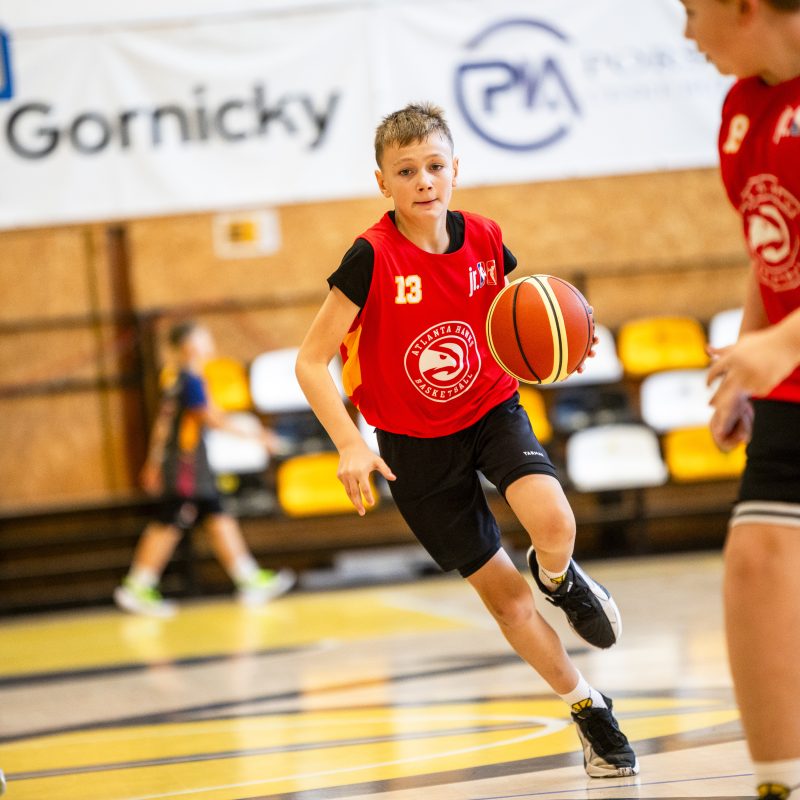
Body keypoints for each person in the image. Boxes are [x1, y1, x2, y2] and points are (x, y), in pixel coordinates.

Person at [295, 102, 638, 778]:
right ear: (382, 182)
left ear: (456, 169)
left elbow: (516, 320)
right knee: (507, 600)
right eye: (406, 171)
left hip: (489, 409)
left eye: (434, 166)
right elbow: (310, 362)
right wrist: (351, 443)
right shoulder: (370, 258)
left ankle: (560, 576)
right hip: (412, 446)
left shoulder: (485, 238)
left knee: (554, 522)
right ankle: (587, 705)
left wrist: (563, 340)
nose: (423, 181)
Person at [682, 1, 800, 798]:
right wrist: (749, 357)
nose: (688, 33)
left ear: (745, 7)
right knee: (756, 560)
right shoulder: (742, 107)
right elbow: (770, 251)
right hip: (794, 370)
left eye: (692, 11)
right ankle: (780, 785)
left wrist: (782, 343)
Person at [114, 320, 295, 618]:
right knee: (172, 519)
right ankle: (138, 586)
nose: (210, 343)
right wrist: (259, 436)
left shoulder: (180, 379)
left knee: (217, 514)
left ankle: (248, 579)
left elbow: (164, 426)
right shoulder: (189, 380)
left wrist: (153, 462)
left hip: (192, 463)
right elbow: (211, 418)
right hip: (185, 464)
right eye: (204, 338)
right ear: (190, 345)